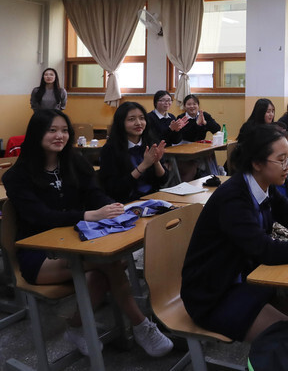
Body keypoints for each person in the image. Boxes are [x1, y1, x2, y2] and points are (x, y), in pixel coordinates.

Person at [2, 109, 173, 357]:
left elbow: (94, 194)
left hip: (77, 240)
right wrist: (86, 215)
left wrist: (112, 208)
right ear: (37, 133)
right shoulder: (17, 176)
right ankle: (141, 325)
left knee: (106, 270)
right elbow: (39, 216)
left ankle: (76, 327)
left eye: (64, 130)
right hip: (39, 254)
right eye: (52, 130)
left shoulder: (74, 162)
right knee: (111, 265)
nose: (59, 136)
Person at [181, 124, 288, 342]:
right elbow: (266, 250)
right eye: (282, 159)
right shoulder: (234, 199)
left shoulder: (263, 185)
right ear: (256, 163)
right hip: (213, 295)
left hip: (246, 279)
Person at [99, 101, 168, 204]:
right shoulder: (110, 149)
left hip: (151, 199)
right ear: (120, 122)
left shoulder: (150, 143)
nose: (138, 123)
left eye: (142, 118)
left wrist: (156, 162)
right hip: (125, 203)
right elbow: (115, 190)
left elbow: (163, 181)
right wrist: (143, 165)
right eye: (131, 119)